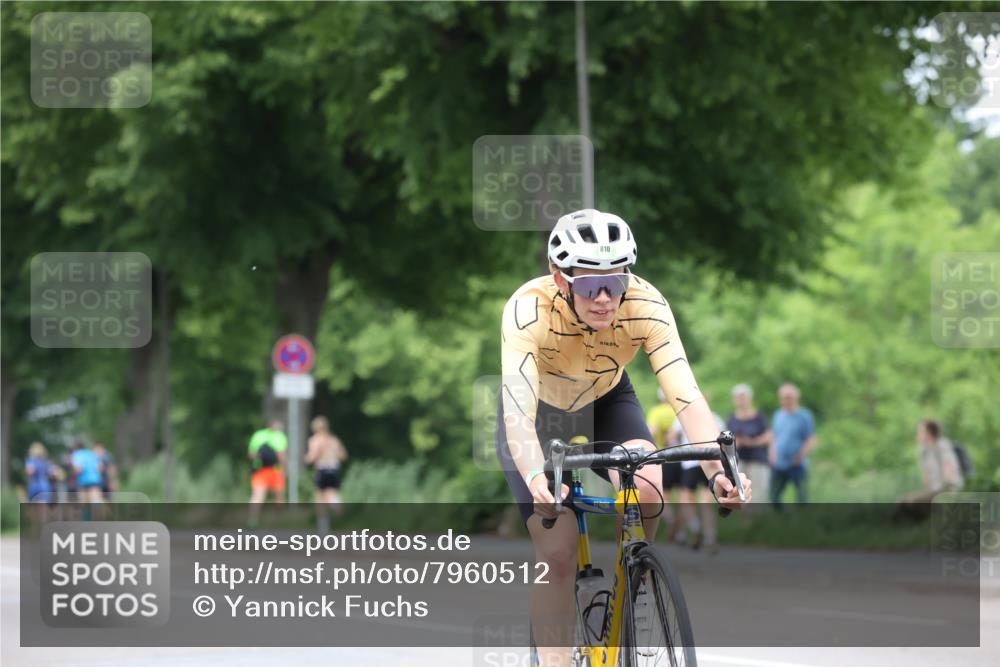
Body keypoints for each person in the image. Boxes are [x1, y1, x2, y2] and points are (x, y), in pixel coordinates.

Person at [495, 209, 751, 665]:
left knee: (649, 486)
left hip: (606, 401)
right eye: (591, 286)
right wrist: (536, 475)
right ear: (561, 280)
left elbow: (687, 398)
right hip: (539, 414)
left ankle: (630, 578)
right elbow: (518, 414)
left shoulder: (647, 305)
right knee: (557, 549)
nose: (604, 299)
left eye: (615, 284)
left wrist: (719, 473)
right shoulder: (526, 309)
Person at [669, 401, 726, 553]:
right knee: (707, 502)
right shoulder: (714, 417)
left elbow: (672, 437)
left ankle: (696, 528)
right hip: (711, 462)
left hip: (690, 462)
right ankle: (710, 538)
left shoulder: (682, 415)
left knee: (686, 500)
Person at [897, 419, 964, 518]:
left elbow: (950, 469)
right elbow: (926, 475)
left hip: (946, 489)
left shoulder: (942, 446)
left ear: (929, 433)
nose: (917, 435)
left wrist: (948, 493)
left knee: (911, 502)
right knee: (904, 502)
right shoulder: (923, 450)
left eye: (920, 432)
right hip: (934, 490)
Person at [770, 383, 816, 506]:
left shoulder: (804, 416)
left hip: (797, 464)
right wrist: (772, 453)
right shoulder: (778, 415)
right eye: (783, 397)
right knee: (774, 496)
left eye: (789, 397)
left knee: (802, 497)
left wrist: (801, 455)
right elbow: (774, 436)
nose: (786, 400)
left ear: (796, 397)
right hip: (779, 463)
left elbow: (811, 439)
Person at [647, 388, 683, 540]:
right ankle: (689, 527)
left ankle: (672, 521)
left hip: (663, 457)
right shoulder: (678, 411)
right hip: (682, 458)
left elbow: (651, 431)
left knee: (664, 496)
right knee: (684, 497)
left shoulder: (656, 412)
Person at [726, 384, 771, 504]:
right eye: (739, 398)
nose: (741, 400)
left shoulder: (759, 416)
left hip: (758, 460)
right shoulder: (732, 419)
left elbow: (768, 437)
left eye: (743, 397)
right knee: (741, 491)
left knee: (759, 493)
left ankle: (759, 520)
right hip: (740, 461)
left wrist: (751, 442)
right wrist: (737, 442)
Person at [305, 416, 349, 534]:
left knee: (320, 499)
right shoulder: (334, 439)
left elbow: (313, 456)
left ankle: (323, 529)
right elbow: (343, 455)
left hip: (323, 468)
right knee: (331, 493)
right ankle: (335, 503)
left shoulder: (315, 440)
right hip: (334, 468)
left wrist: (306, 459)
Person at [247, 419, 288, 525]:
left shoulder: (258, 435)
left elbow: (251, 454)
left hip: (260, 469)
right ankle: (279, 521)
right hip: (276, 469)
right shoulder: (280, 436)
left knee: (258, 495)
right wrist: (284, 470)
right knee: (279, 496)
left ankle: (253, 520)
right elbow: (282, 456)